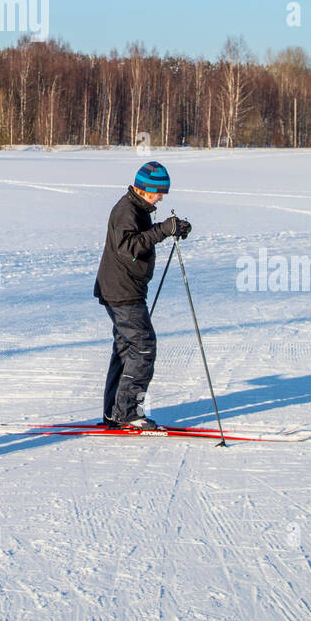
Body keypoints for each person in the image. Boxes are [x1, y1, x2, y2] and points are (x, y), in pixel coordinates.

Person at [93, 161, 190, 430]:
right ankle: (127, 413)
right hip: (122, 292)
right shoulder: (126, 210)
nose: (161, 197)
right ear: (146, 189)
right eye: (159, 192)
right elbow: (129, 247)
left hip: (124, 289)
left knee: (126, 349)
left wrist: (172, 228)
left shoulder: (137, 209)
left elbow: (140, 238)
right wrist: (162, 230)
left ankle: (115, 412)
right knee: (143, 347)